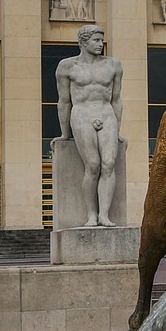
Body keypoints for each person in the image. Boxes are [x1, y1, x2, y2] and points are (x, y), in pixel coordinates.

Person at [55, 25, 124, 227]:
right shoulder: (67, 67)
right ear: (83, 42)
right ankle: (91, 215)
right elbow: (64, 101)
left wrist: (117, 130)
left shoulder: (113, 65)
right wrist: (64, 133)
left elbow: (117, 100)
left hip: (106, 113)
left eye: (101, 40)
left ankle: (104, 215)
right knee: (93, 165)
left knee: (109, 163)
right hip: (82, 114)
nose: (100, 44)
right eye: (95, 40)